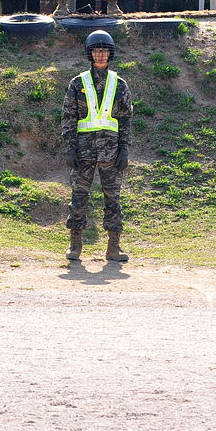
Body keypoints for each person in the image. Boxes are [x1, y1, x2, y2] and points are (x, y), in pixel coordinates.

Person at [62, 30, 134, 262]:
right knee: (79, 197)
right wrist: (70, 148)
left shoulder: (119, 84)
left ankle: (114, 246)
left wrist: (124, 149)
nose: (100, 54)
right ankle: (75, 245)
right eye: (96, 50)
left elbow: (126, 120)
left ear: (110, 53)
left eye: (104, 50)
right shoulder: (77, 83)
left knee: (113, 199)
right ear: (90, 53)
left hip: (111, 153)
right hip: (82, 153)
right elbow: (68, 117)